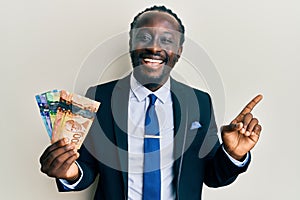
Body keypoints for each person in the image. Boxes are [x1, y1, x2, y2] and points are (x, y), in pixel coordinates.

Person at [39, 5, 263, 200]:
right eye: (144, 37)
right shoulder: (100, 97)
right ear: (131, 43)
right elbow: (86, 167)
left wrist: (233, 154)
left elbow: (213, 177)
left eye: (166, 40)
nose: (154, 48)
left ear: (179, 51)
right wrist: (69, 172)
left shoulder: (200, 102)